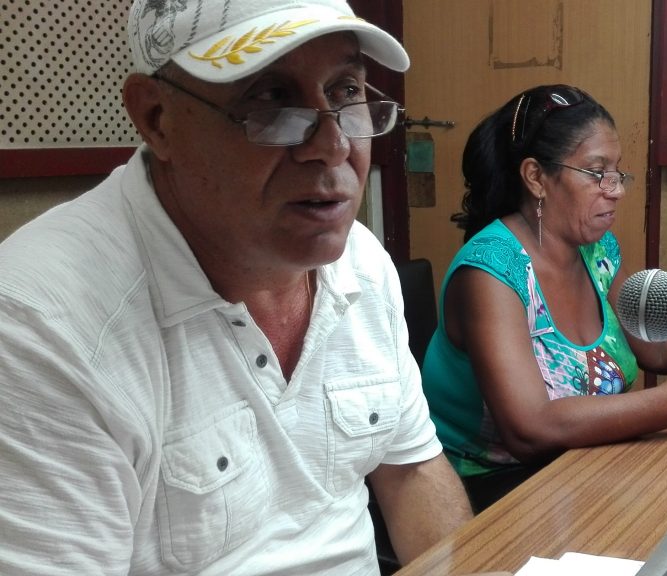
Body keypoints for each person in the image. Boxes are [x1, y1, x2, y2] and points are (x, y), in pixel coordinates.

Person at [0, 1, 471, 573]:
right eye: (270, 98)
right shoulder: (38, 326)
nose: (332, 146)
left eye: (346, 92)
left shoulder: (363, 265)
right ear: (156, 118)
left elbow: (411, 472)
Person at [420, 84, 667, 513]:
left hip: (583, 465)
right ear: (536, 177)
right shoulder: (490, 272)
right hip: (488, 495)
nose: (617, 190)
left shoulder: (596, 250)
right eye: (597, 172)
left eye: (618, 172)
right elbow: (530, 430)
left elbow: (654, 346)